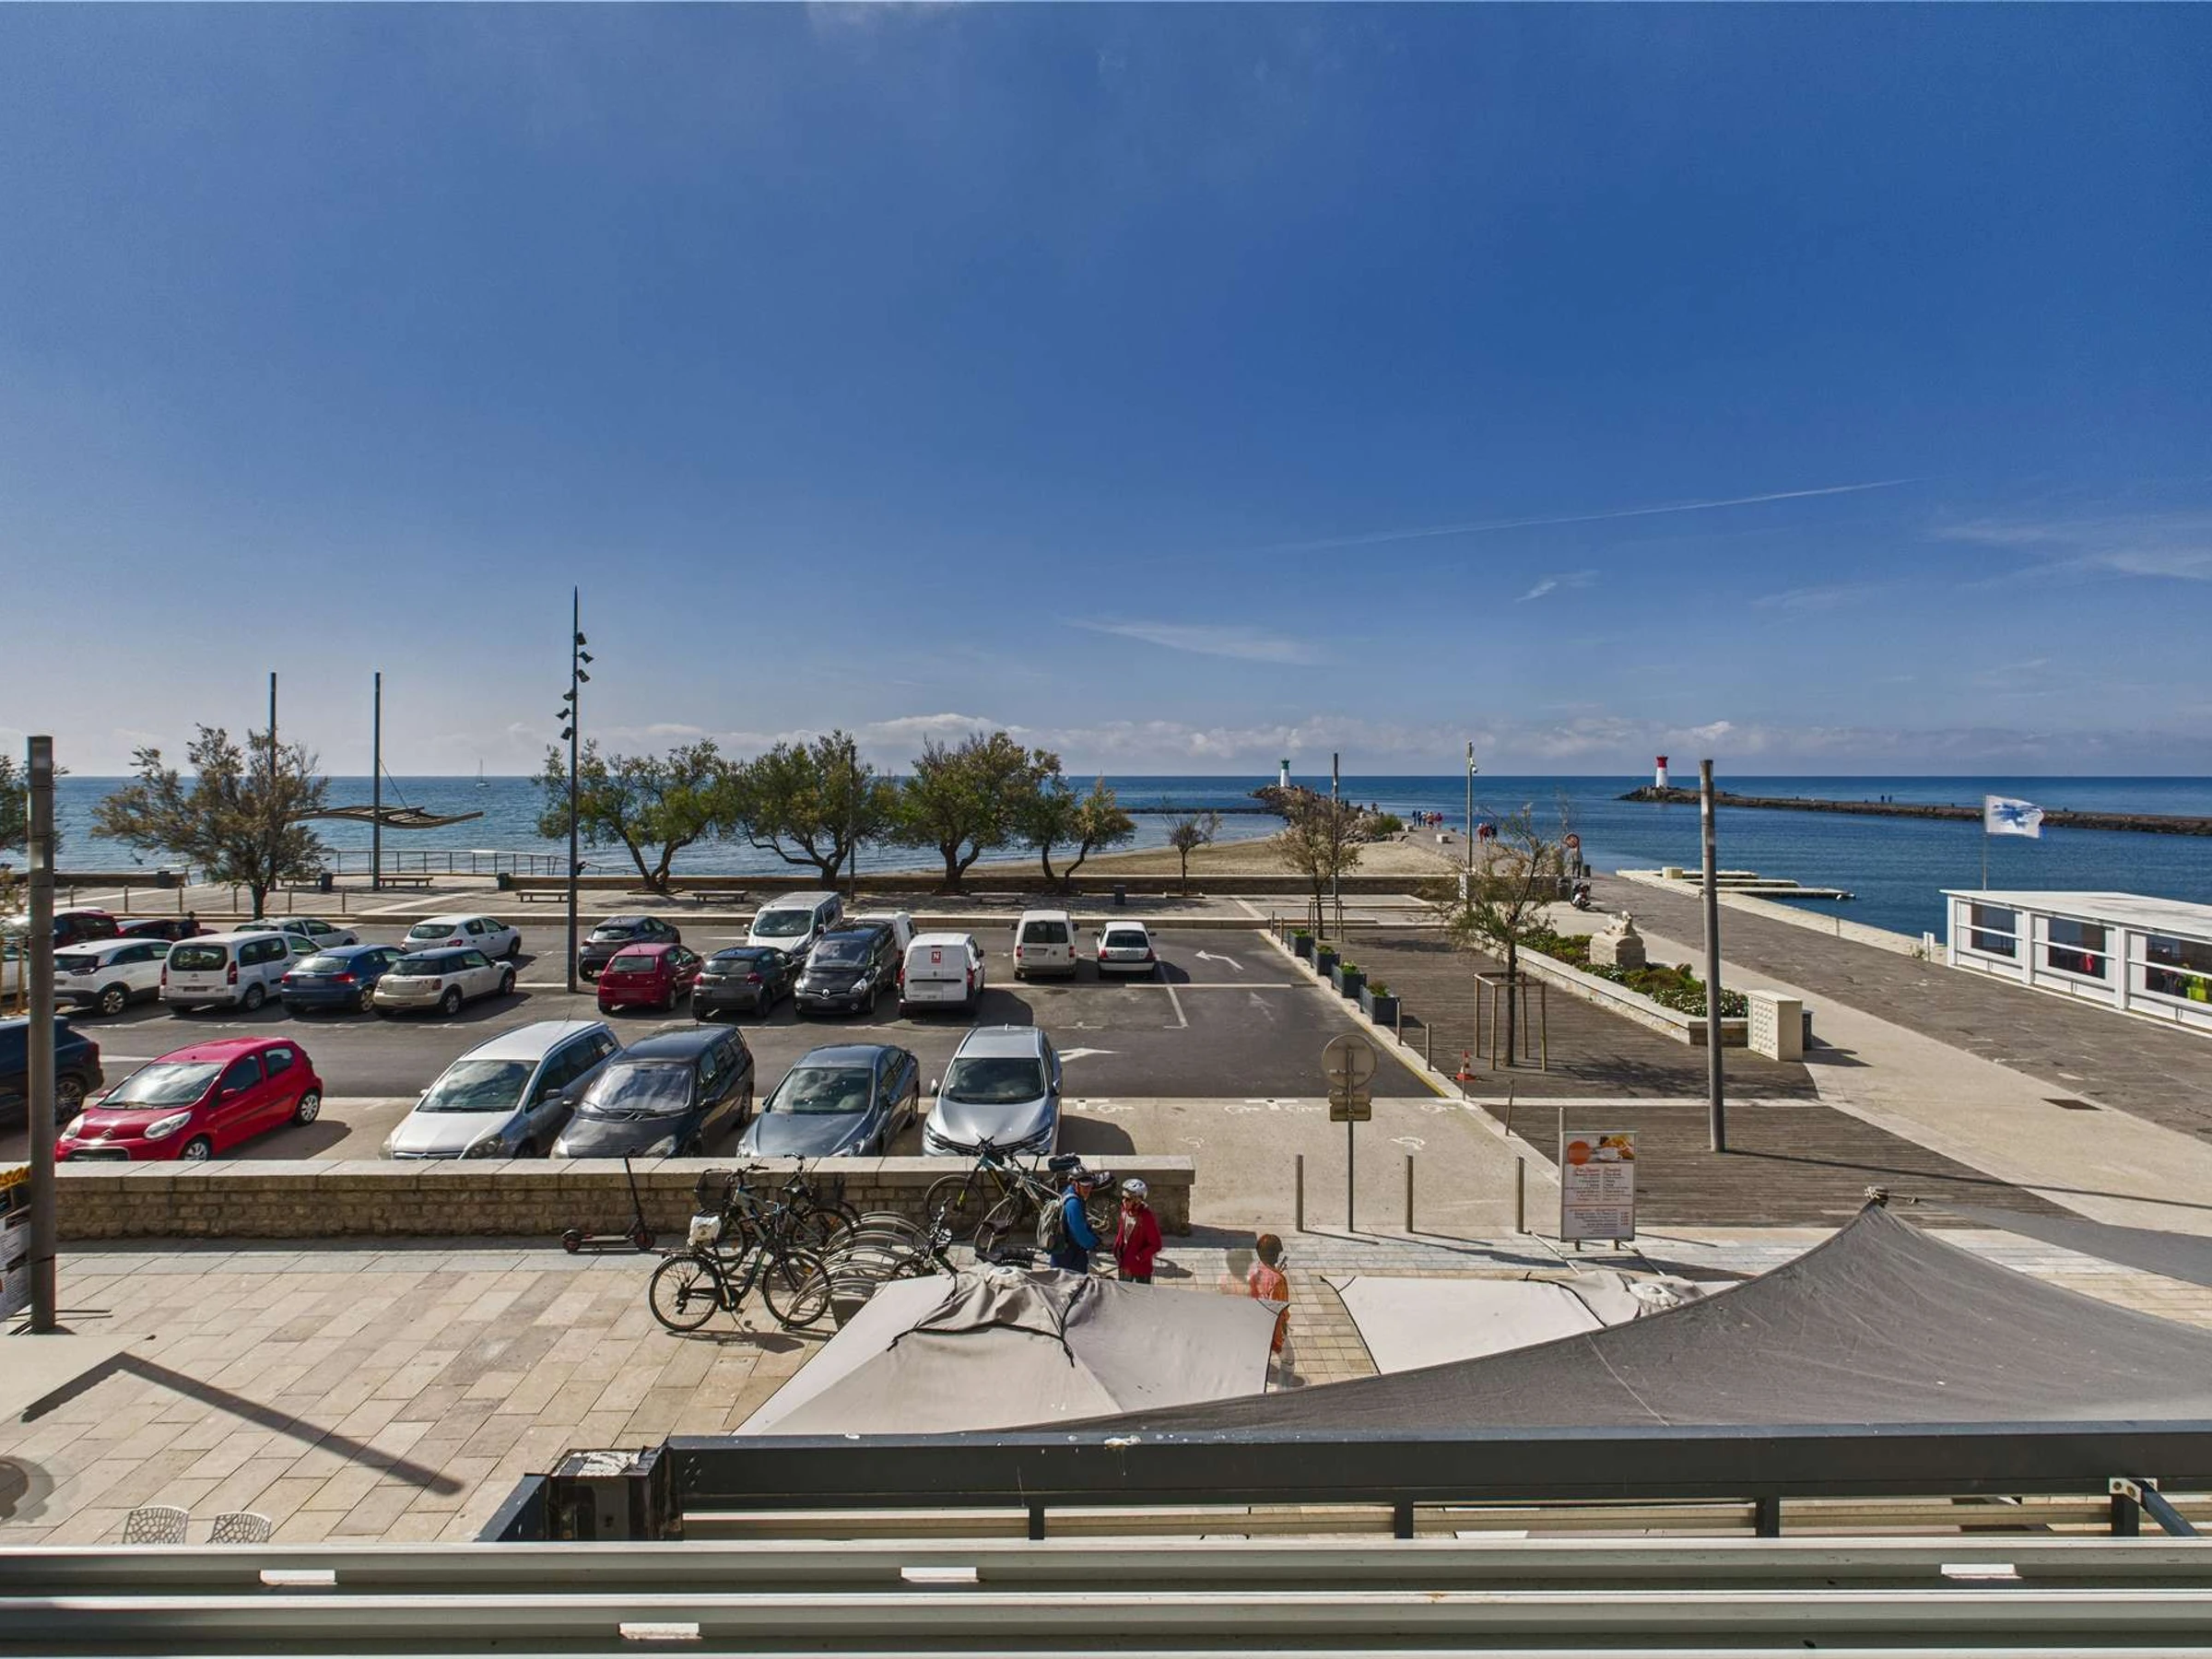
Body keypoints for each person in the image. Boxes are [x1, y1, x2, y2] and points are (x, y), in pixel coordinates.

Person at [1048, 1171, 1101, 1275]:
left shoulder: (1068, 1193)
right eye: (1085, 1186)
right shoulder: (1073, 1203)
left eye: (1090, 1186)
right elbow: (1080, 1234)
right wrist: (1094, 1243)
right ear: (1075, 1184)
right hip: (1069, 1259)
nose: (1088, 1190)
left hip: (1063, 1256)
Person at [1247, 1232, 1290, 1359]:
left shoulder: (1252, 1271)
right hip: (1269, 1330)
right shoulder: (1278, 1280)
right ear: (1275, 1254)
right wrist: (1284, 1329)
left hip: (1252, 1323)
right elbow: (1280, 1309)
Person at [1114, 1178, 1161, 1284]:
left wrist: (1139, 1257)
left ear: (1137, 1201)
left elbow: (1156, 1245)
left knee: (1143, 1292)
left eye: (1127, 1199)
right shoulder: (1124, 1211)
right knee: (1124, 1291)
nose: (1123, 1201)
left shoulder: (1146, 1217)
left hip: (1141, 1266)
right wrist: (1117, 1249)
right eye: (1123, 1197)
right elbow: (1122, 1232)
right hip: (1125, 1261)